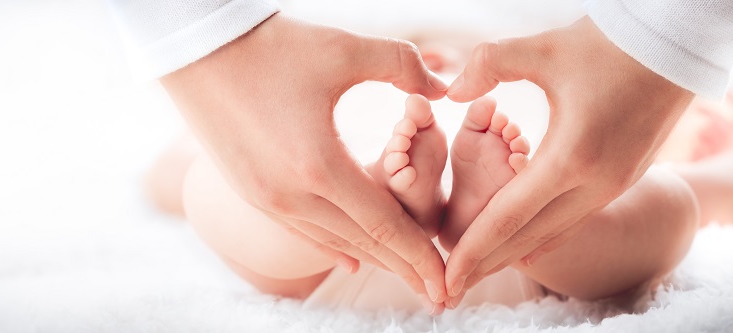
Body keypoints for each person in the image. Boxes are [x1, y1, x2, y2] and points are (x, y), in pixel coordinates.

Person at [110, 0, 733, 308]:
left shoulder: (634, 123)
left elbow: (174, 174)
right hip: (526, 265)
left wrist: (187, 179)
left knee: (212, 188)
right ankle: (512, 217)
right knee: (675, 205)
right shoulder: (303, 120)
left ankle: (511, 218)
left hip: (338, 260)